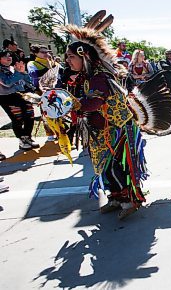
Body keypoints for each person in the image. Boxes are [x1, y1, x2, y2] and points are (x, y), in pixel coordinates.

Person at [62, 17, 148, 220]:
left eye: (71, 57)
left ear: (85, 58)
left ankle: (129, 200)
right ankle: (116, 198)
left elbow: (93, 103)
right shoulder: (85, 77)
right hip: (101, 131)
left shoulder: (99, 78)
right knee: (105, 167)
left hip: (117, 130)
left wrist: (69, 104)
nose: (68, 61)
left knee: (116, 167)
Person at [0, 50, 39, 150]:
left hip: (21, 95)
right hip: (7, 97)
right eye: (5, 56)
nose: (9, 58)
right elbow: (7, 82)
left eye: (10, 56)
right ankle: (22, 139)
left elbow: (27, 81)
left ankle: (27, 137)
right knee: (17, 118)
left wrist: (24, 72)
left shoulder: (14, 68)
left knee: (30, 114)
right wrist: (18, 73)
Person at [27, 44, 61, 142]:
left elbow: (61, 73)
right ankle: (50, 133)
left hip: (55, 90)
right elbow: (33, 74)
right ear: (35, 53)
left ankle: (60, 131)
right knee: (46, 112)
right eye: (42, 52)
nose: (46, 54)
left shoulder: (52, 62)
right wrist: (50, 68)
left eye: (47, 52)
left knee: (58, 110)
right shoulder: (32, 63)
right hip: (42, 91)